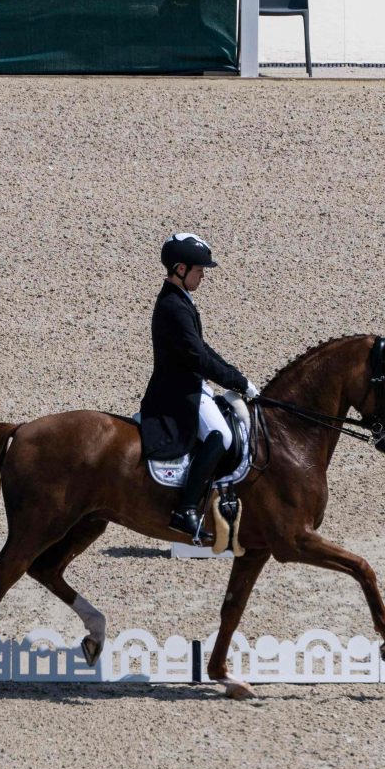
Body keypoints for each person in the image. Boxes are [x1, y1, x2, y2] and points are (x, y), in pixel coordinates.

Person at [139, 232, 257, 543]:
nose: (203, 275)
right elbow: (197, 356)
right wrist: (237, 381)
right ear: (180, 269)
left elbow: (202, 348)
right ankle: (186, 509)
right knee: (221, 435)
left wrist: (236, 375)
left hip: (191, 385)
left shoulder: (180, 301)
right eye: (198, 270)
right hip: (178, 391)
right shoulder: (173, 307)